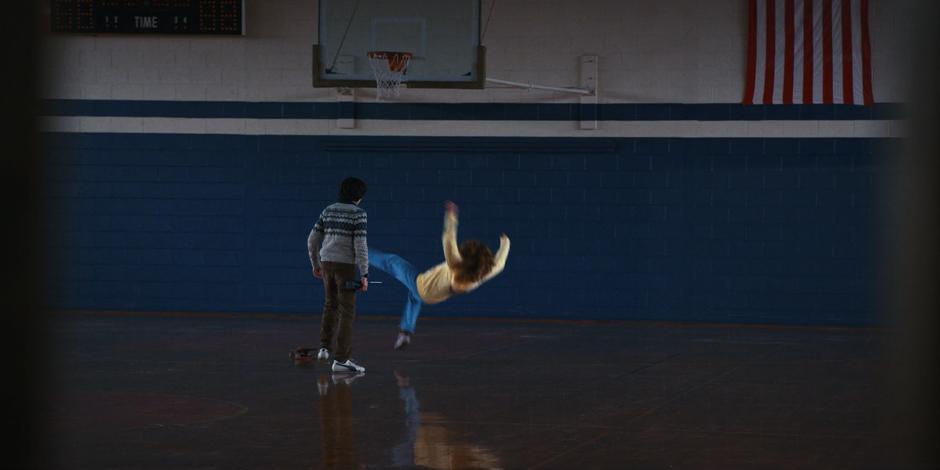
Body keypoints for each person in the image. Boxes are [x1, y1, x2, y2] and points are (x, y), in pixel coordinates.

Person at [369, 201, 510, 350]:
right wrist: (505, 243)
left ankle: (359, 252)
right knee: (413, 298)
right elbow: (499, 264)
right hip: (433, 297)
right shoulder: (480, 276)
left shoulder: (455, 263)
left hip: (421, 284)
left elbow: (448, 238)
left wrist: (451, 215)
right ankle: (405, 333)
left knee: (392, 262)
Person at [307, 177, 369, 373]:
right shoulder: (358, 214)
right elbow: (360, 246)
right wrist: (365, 273)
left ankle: (324, 349)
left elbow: (312, 240)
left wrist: (316, 264)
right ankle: (341, 360)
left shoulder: (328, 210)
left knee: (330, 305)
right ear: (358, 196)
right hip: (345, 267)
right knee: (347, 312)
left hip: (326, 263)